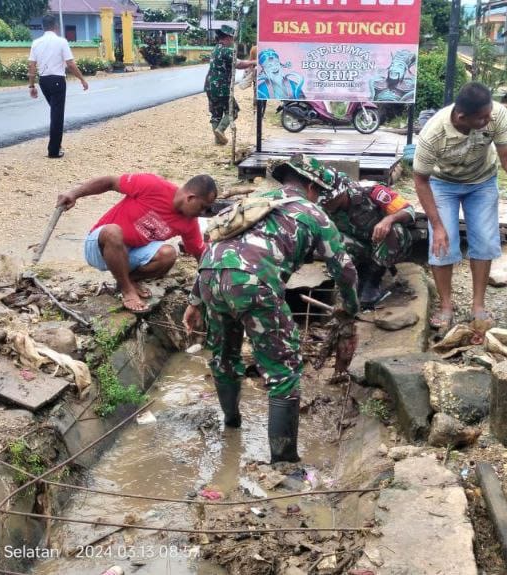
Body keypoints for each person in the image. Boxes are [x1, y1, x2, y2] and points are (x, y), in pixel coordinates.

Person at [182, 154, 358, 464]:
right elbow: (344, 270)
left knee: (224, 357)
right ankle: (283, 461)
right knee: (283, 371)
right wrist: (350, 311)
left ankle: (232, 425)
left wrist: (195, 301)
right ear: (311, 186)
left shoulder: (252, 202)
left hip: (209, 277)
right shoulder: (313, 213)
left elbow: (215, 247)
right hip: (253, 284)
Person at [413, 83, 507, 329]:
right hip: (442, 184)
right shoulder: (433, 133)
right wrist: (437, 226)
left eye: (489, 113)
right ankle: (445, 305)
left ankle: (478, 305)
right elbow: (420, 181)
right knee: (442, 243)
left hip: (482, 181)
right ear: (462, 117)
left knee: (485, 240)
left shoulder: (496, 115)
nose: (488, 119)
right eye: (482, 118)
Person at [57, 173, 217, 312]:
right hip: (99, 247)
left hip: (131, 254)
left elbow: (199, 253)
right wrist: (74, 194)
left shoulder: (189, 222)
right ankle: (127, 290)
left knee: (168, 254)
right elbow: (110, 181)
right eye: (202, 207)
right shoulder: (153, 185)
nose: (203, 213)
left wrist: (214, 284)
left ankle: (127, 281)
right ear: (190, 198)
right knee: (113, 231)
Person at [321, 169, 417, 308]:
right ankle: (358, 272)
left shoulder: (371, 191)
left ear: (342, 192)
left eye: (330, 199)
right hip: (361, 246)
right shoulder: (323, 205)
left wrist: (388, 220)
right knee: (330, 239)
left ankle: (374, 279)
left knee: (394, 230)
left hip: (389, 244)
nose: (326, 204)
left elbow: (409, 210)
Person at [28, 13, 89, 159]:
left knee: (55, 112)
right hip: (57, 80)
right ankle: (54, 150)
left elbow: (31, 65)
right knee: (57, 115)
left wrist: (31, 86)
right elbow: (70, 63)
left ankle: (56, 145)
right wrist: (82, 79)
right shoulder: (61, 42)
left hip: (44, 82)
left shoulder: (36, 43)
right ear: (56, 26)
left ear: (43, 27)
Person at [205, 24, 255, 145]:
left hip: (209, 86)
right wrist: (254, 61)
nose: (233, 41)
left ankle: (218, 141)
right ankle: (220, 130)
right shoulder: (227, 51)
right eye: (232, 38)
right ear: (227, 38)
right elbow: (239, 64)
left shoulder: (215, 49)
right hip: (221, 87)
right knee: (233, 110)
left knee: (216, 113)